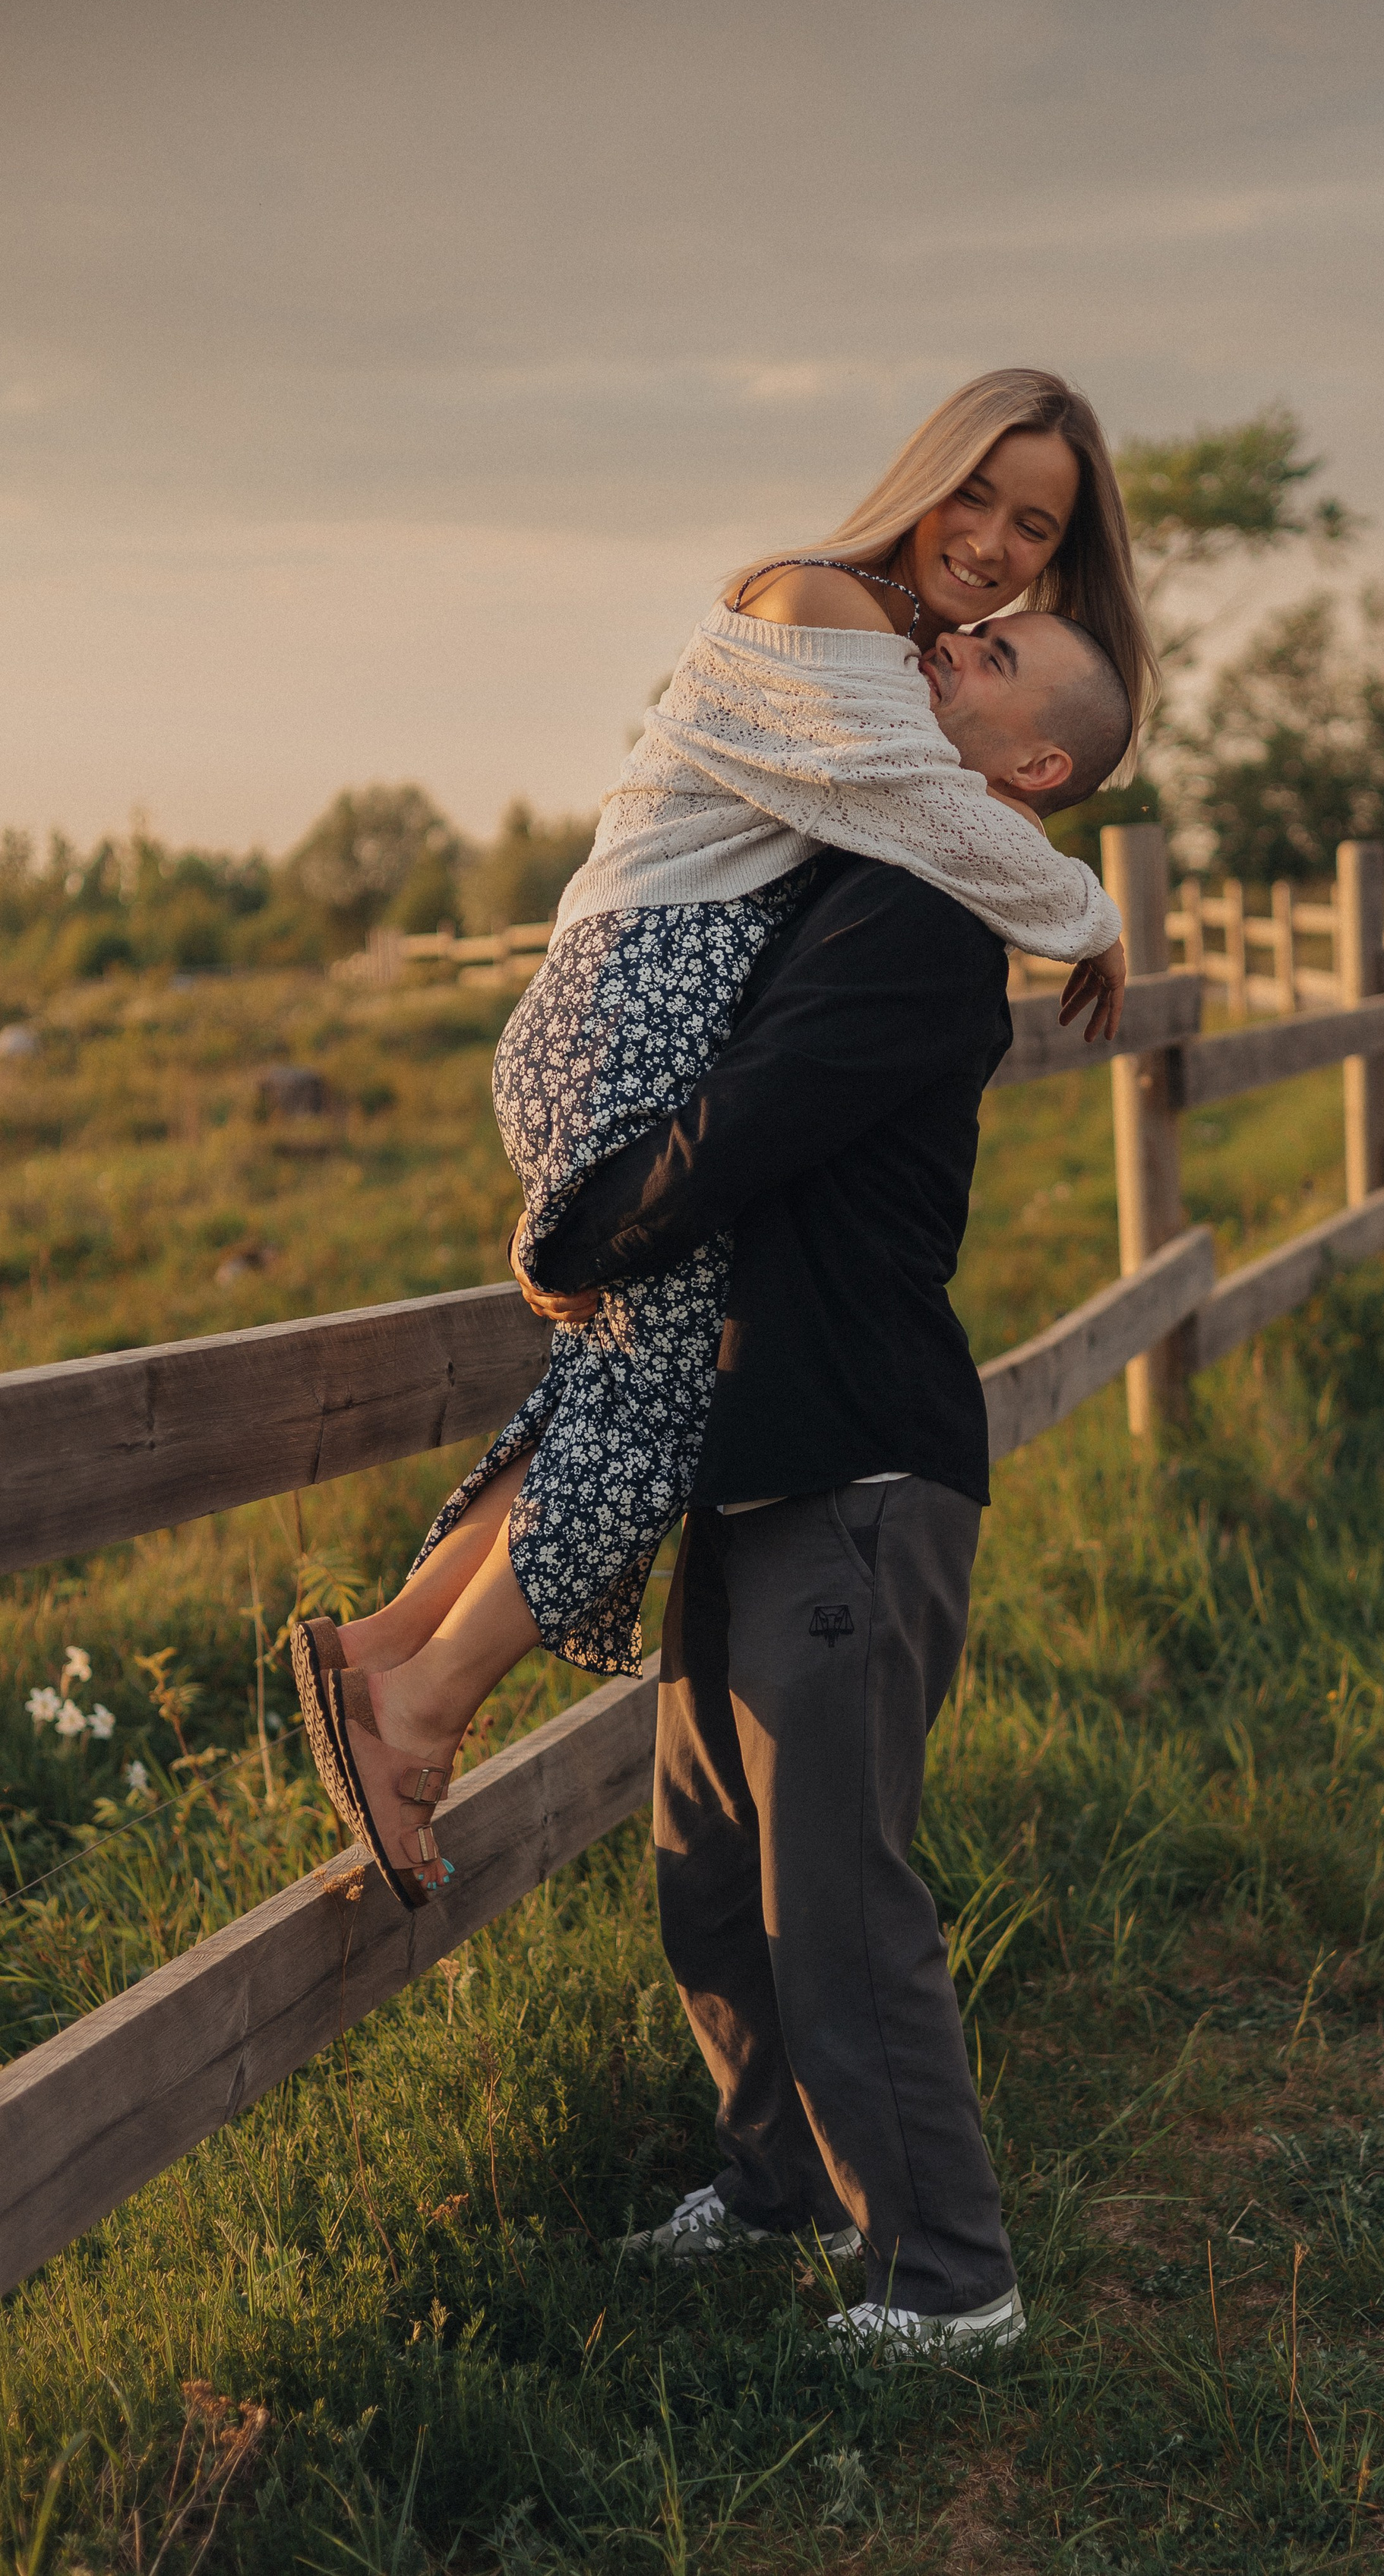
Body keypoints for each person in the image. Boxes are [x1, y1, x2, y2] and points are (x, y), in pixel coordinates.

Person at [292, 371, 1156, 1911]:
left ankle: (394, 1648)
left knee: (622, 1369)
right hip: (633, 998)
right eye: (977, 497)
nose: (993, 546)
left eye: (1034, 528)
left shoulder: (906, 651)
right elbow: (932, 814)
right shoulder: (818, 602)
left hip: (654, 998)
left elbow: (946, 815)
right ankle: (419, 1714)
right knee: (669, 1390)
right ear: (924, 476)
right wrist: (1085, 914)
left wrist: (1043, 868)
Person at [513, 655, 1138, 2353]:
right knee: (708, 1870)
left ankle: (947, 2282)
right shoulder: (860, 880)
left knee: (835, 1894)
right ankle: (775, 2183)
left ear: (1032, 763)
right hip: (757, 1448)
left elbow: (751, 1120)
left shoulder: (929, 921)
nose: (945, 655)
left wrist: (578, 1229)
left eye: (993, 660)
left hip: (856, 1465)